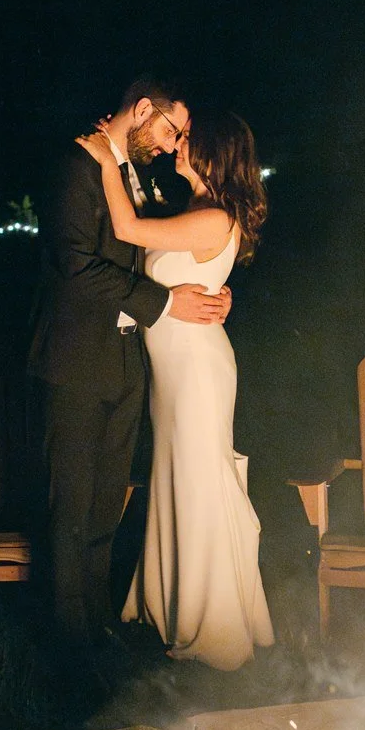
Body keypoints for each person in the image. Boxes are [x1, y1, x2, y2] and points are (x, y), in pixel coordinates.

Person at [27, 78, 229, 646]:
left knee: (103, 513)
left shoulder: (132, 175)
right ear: (142, 110)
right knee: (69, 515)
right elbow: (77, 266)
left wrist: (210, 286)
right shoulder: (75, 164)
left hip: (124, 364)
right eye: (170, 131)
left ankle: (95, 631)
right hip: (73, 365)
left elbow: (159, 250)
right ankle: (70, 656)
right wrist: (167, 304)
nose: (172, 146)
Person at [75, 108, 275, 671]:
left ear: (214, 154)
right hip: (176, 372)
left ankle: (212, 630)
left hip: (196, 373)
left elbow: (127, 230)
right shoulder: (194, 211)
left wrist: (107, 158)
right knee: (175, 482)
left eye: (189, 139)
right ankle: (170, 605)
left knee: (198, 485)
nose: (179, 145)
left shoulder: (212, 217)